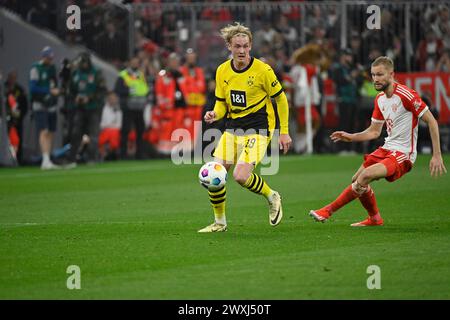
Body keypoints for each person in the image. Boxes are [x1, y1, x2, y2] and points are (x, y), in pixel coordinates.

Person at [309, 56, 447, 227]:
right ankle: (375, 218)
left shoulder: (406, 95)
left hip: (403, 154)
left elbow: (432, 121)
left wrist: (437, 155)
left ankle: (327, 211)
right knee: (356, 180)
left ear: (391, 74)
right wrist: (350, 136)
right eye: (373, 75)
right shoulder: (380, 99)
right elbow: (374, 132)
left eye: (380, 74)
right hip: (387, 148)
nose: (375, 79)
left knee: (365, 176)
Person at [199, 23, 292, 233]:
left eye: (246, 46)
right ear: (229, 47)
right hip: (233, 128)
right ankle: (220, 223)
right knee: (215, 175)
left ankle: (272, 196)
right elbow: (222, 103)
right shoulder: (222, 70)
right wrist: (215, 114)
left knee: (240, 176)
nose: (242, 51)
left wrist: (283, 131)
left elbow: (281, 100)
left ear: (250, 46)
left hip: (259, 128)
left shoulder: (263, 70)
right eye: (237, 46)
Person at [67, 52, 106, 165]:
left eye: (85, 62)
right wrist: (75, 97)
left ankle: (92, 158)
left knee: (93, 134)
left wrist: (90, 98)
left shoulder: (97, 73)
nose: (83, 64)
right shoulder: (75, 73)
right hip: (79, 108)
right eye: (81, 62)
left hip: (94, 108)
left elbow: (102, 90)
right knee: (75, 133)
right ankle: (72, 158)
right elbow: (70, 90)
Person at [29, 46, 60, 170]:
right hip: (40, 103)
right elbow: (33, 88)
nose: (50, 60)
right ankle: (45, 158)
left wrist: (56, 92)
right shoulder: (35, 68)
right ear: (43, 57)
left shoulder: (52, 68)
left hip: (51, 103)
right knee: (44, 131)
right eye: (48, 58)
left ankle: (48, 158)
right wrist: (49, 91)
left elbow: (55, 83)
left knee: (51, 131)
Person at [114, 57, 149, 159]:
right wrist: (129, 91)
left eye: (137, 62)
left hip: (139, 107)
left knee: (140, 131)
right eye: (133, 62)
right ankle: (123, 154)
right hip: (128, 107)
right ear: (129, 63)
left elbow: (144, 88)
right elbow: (118, 89)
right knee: (125, 131)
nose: (135, 63)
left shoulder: (140, 75)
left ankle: (139, 154)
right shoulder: (123, 75)